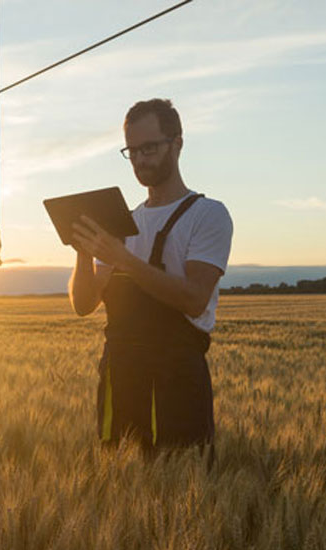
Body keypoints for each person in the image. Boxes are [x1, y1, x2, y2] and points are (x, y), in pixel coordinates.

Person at [68, 98, 233, 453]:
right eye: (132, 151)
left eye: (150, 148)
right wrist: (83, 250)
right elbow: (84, 304)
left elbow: (194, 298)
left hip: (176, 379)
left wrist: (124, 260)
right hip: (119, 379)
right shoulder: (121, 222)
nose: (141, 160)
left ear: (177, 144)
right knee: (120, 492)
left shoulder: (208, 215)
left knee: (181, 488)